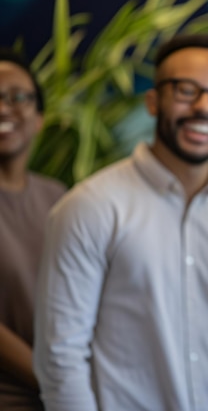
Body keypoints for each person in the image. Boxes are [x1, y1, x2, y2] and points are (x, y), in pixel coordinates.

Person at [33, 33, 208, 411]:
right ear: (153, 101)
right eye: (186, 90)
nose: (204, 107)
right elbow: (60, 357)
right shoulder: (91, 206)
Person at [0, 48, 66, 411]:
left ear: (39, 118)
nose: (4, 108)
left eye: (18, 97)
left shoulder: (58, 197)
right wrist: (55, 381)